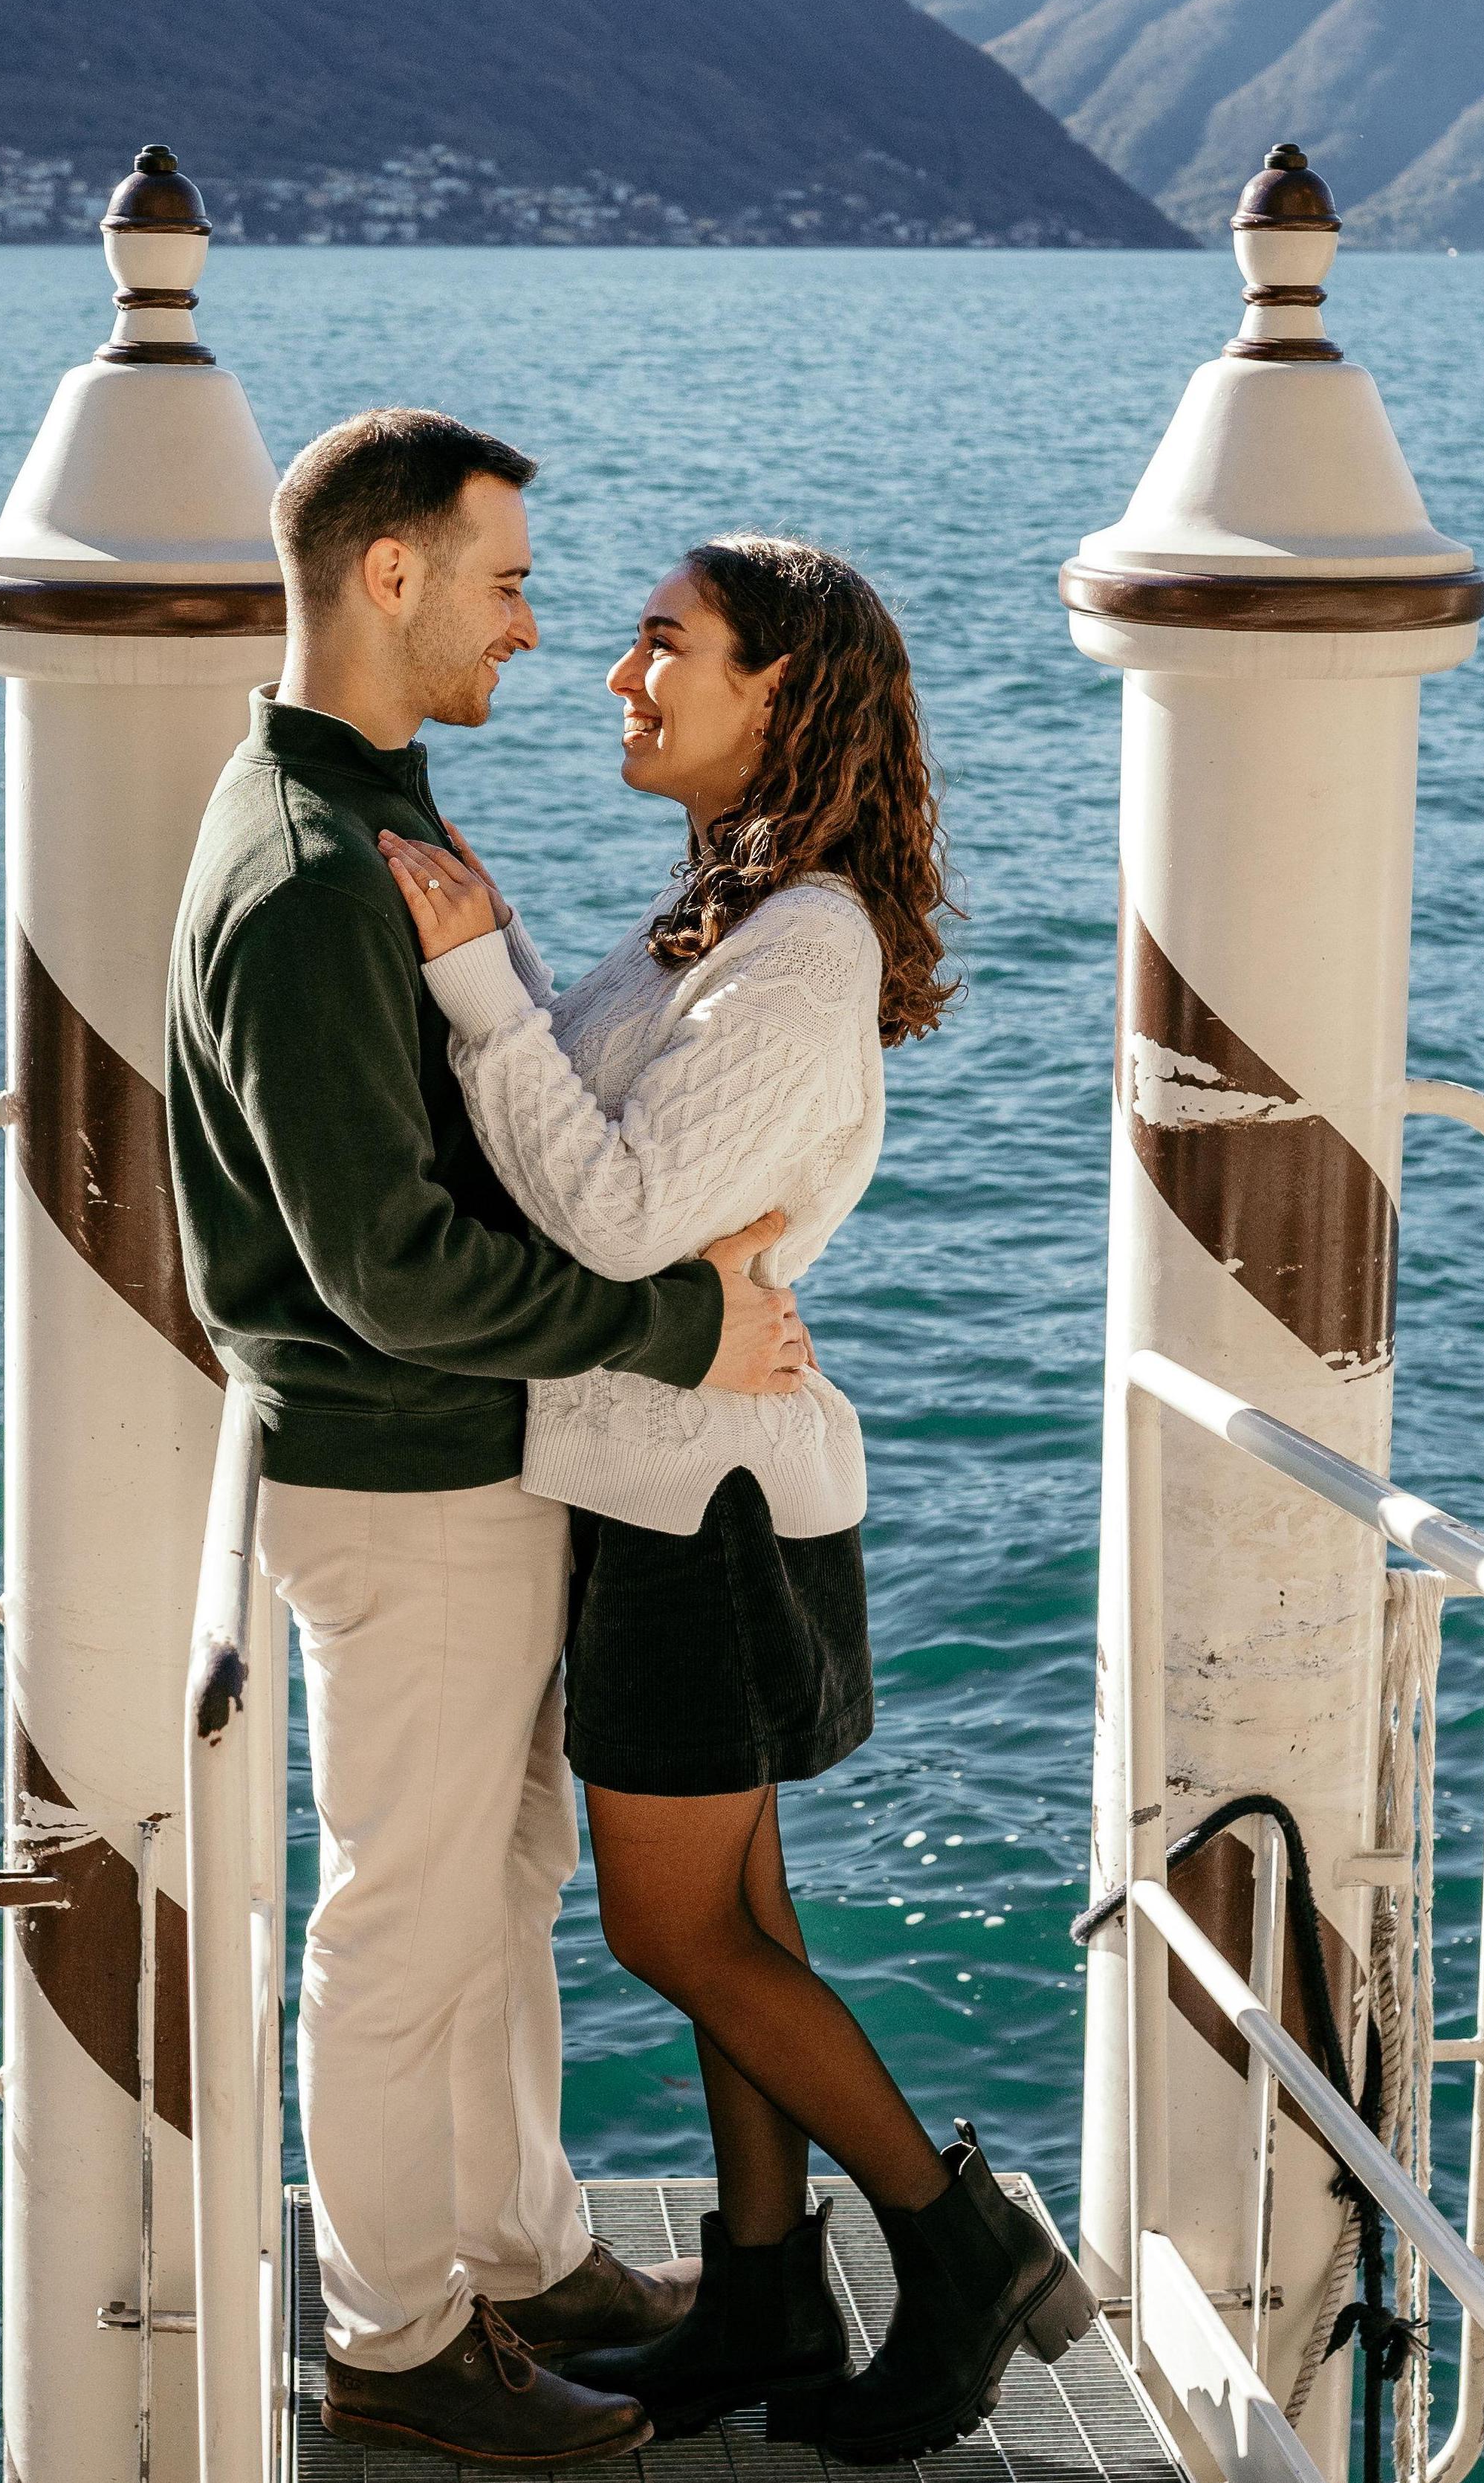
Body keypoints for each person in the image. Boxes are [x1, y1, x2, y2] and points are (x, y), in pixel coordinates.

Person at [377, 534, 1095, 2462]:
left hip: (701, 1513)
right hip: (666, 1482)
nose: (621, 674)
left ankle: (965, 2252)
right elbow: (590, 1169)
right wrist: (491, 970)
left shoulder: (804, 952)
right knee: (738, 1916)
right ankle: (770, 2295)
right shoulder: (725, 914)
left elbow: (610, 1211)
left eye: (663, 643)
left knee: (678, 1932)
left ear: (783, 693)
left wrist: (469, 982)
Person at [164, 410, 815, 2467]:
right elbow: (384, 1265)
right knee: (402, 1914)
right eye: (510, 578)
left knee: (503, 1881)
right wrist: (678, 1319)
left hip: (475, 1458)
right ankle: (391, 2332)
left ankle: (516, 2251)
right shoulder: (299, 874)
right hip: (398, 1465)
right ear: (388, 576)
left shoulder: (369, 810)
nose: (535, 628)